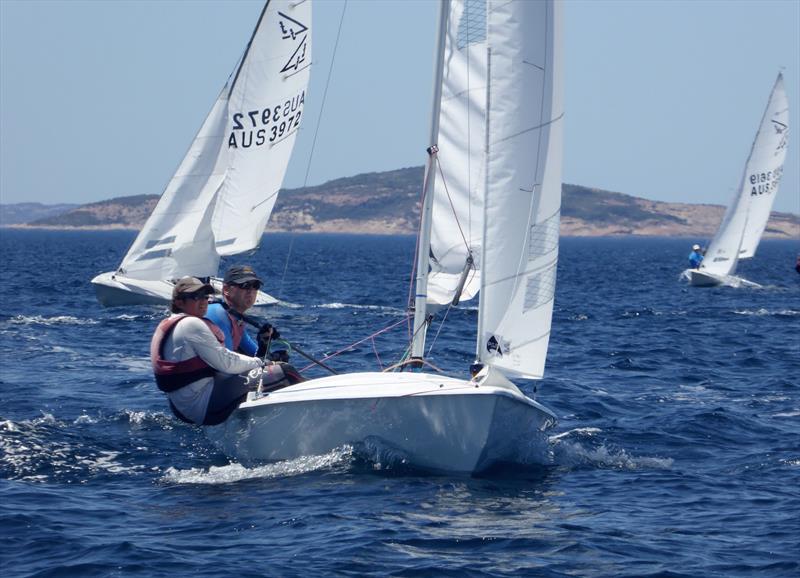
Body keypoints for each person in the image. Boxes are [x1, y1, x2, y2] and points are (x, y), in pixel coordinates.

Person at [150, 276, 265, 426]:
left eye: (205, 296)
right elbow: (226, 363)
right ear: (179, 302)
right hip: (202, 406)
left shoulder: (169, 323)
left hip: (182, 408)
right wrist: (260, 362)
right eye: (195, 297)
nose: (203, 301)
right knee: (280, 372)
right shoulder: (191, 324)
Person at [205, 265, 304, 384]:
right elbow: (227, 364)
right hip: (203, 392)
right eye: (245, 286)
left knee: (280, 368)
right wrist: (267, 362)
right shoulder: (217, 314)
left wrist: (264, 346)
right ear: (226, 289)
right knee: (284, 371)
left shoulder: (236, 319)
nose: (251, 291)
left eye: (255, 286)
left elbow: (255, 357)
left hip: (218, 383)